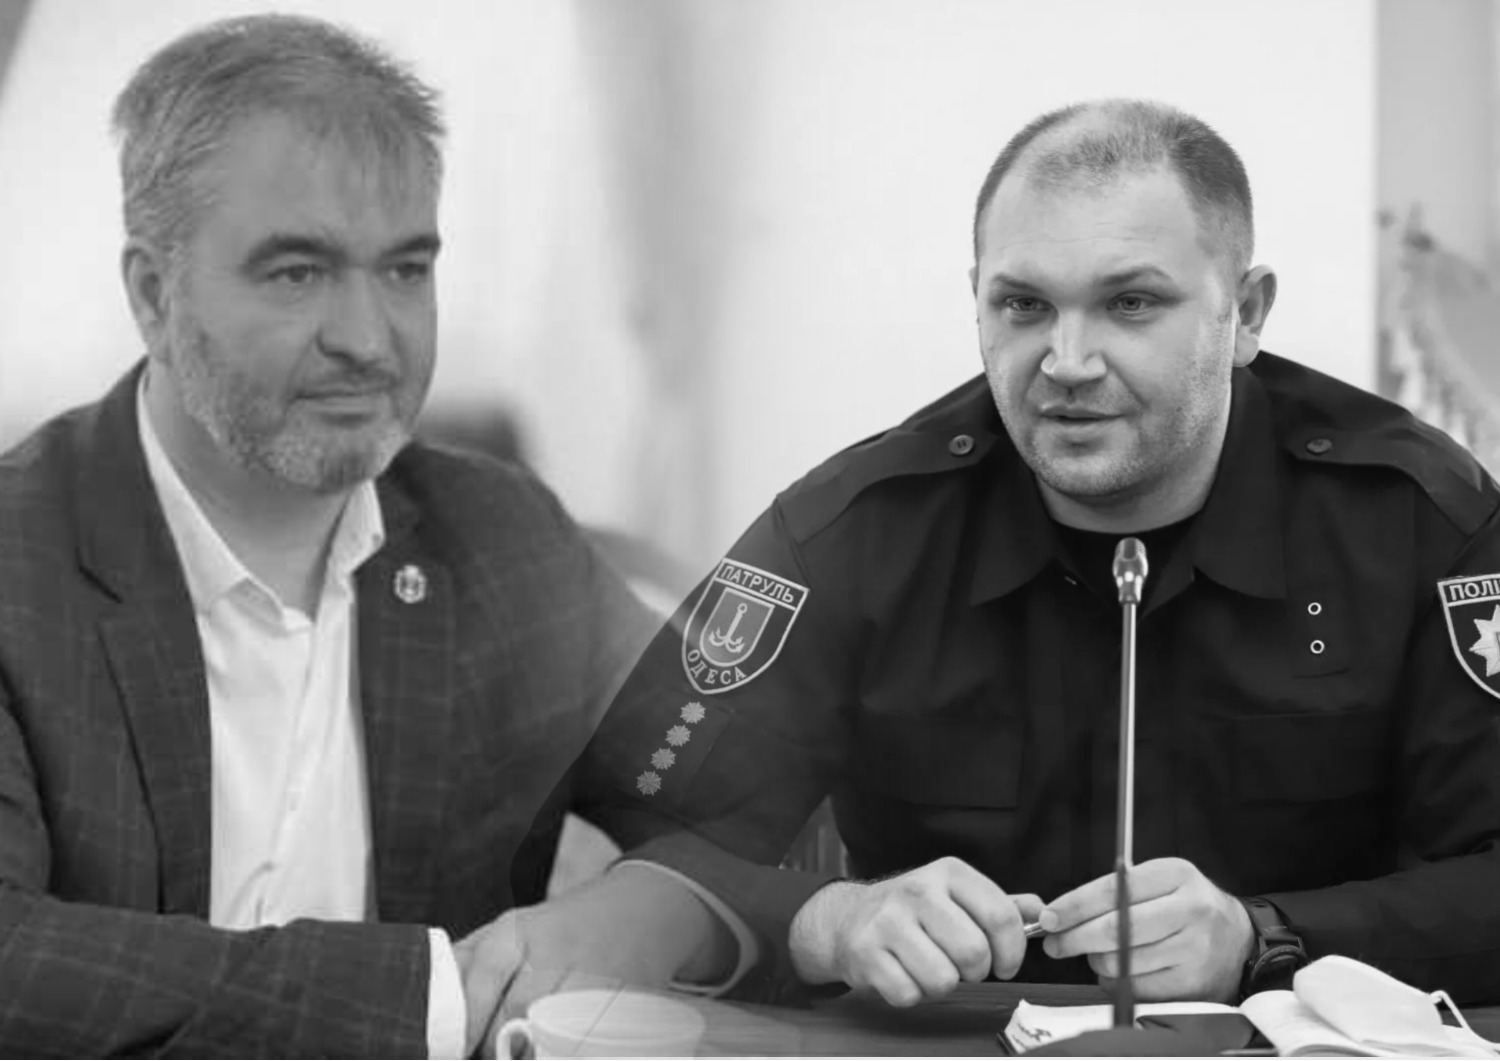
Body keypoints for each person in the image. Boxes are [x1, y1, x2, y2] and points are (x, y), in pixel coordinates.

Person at [561, 99, 1500, 1011]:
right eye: (1024, 305)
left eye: (1130, 303)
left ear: (1246, 312)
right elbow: (632, 839)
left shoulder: (1420, 520)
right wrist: (829, 919)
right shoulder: (858, 528)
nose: (1067, 361)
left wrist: (1266, 937)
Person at [0, 15, 732, 1056]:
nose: (367, 339)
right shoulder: (19, 561)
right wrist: (442, 995)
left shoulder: (501, 536)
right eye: (297, 272)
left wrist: (653, 906)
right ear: (154, 294)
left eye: (405, 269)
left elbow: (757, 790)